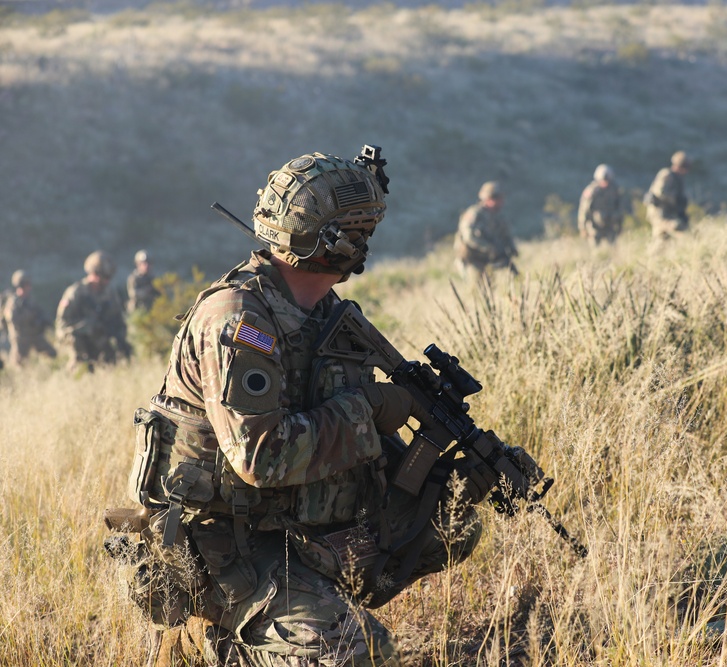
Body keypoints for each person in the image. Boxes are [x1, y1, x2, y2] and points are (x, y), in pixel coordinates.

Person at [118, 150, 493, 666]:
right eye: (361, 231)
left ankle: (313, 607)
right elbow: (262, 456)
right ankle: (227, 637)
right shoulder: (239, 321)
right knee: (358, 652)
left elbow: (357, 449)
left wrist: (438, 480)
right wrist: (370, 408)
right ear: (339, 242)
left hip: (291, 525)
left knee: (449, 526)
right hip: (226, 547)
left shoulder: (325, 317)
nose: (365, 244)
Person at [55, 250, 131, 371]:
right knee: (81, 364)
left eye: (109, 277)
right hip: (79, 341)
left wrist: (120, 339)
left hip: (101, 340)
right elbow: (62, 325)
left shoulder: (110, 294)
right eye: (105, 277)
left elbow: (118, 320)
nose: (107, 281)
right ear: (94, 274)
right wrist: (86, 327)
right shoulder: (75, 293)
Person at [454, 180, 518, 279]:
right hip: (472, 260)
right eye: (499, 198)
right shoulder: (474, 215)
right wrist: (489, 248)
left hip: (488, 260)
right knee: (479, 288)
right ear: (490, 199)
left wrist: (511, 247)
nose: (502, 201)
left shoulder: (498, 217)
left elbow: (506, 235)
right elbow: (469, 238)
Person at [2, 270, 56, 366]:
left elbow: (40, 313)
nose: (29, 287)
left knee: (52, 354)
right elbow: (13, 320)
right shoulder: (13, 302)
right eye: (27, 284)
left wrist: (43, 321)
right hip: (21, 338)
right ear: (22, 285)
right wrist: (31, 319)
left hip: (35, 335)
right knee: (18, 365)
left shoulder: (30, 300)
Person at [644, 151, 691, 245]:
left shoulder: (679, 178)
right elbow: (660, 193)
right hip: (660, 213)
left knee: (665, 241)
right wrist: (674, 200)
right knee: (664, 237)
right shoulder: (666, 174)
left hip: (669, 213)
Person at [578, 164, 624, 247]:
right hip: (594, 226)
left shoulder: (614, 190)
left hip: (610, 225)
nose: (605, 183)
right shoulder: (592, 191)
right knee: (595, 251)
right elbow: (584, 210)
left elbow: (619, 208)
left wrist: (620, 225)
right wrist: (583, 227)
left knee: (613, 249)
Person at [127, 249, 161, 314]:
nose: (146, 265)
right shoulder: (134, 278)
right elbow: (133, 294)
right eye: (144, 263)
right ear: (138, 264)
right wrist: (148, 290)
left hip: (152, 310)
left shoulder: (153, 278)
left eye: (148, 263)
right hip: (138, 310)